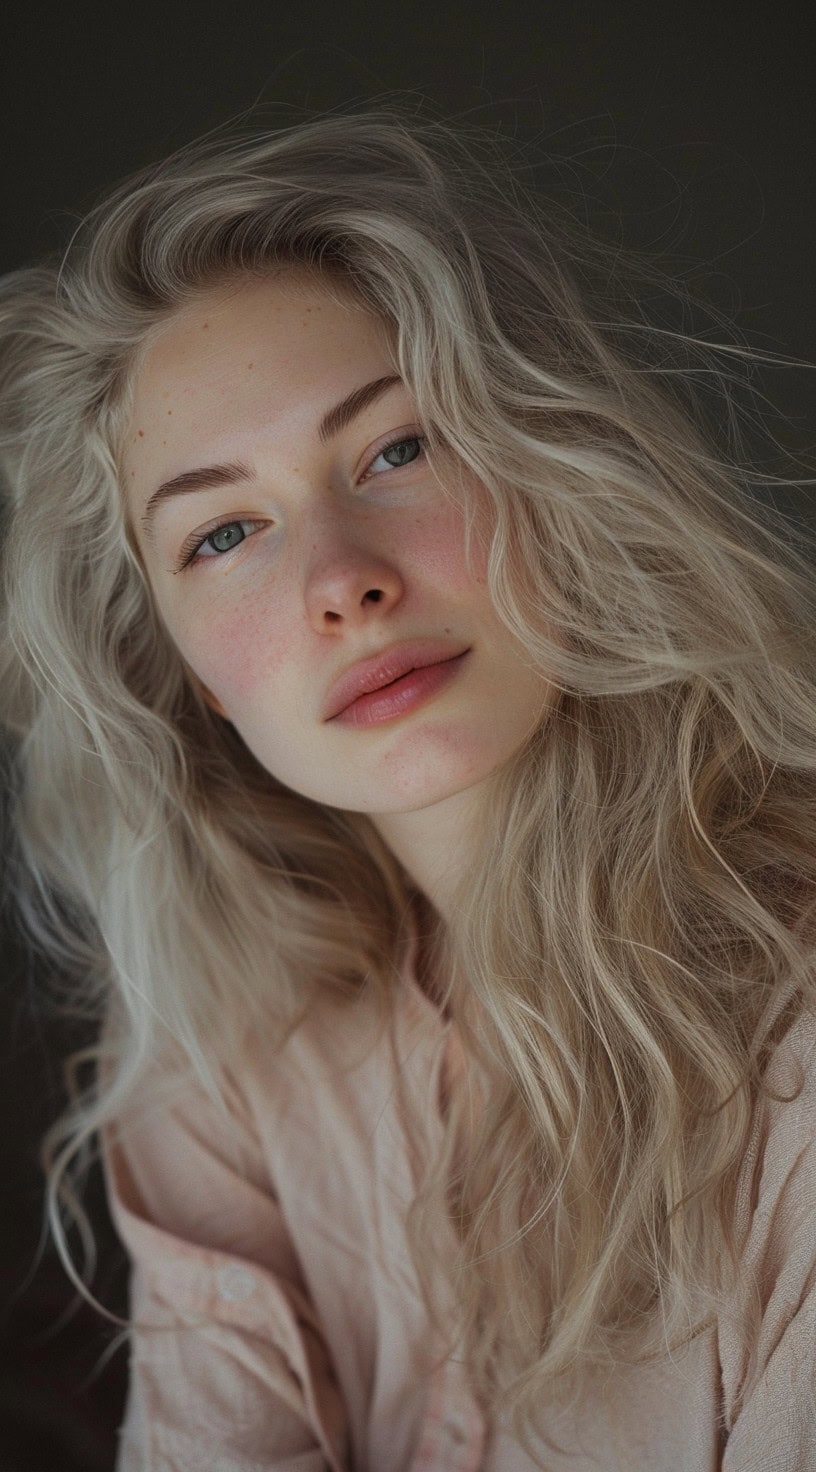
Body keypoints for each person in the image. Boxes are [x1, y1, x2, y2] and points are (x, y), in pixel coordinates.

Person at [1, 101, 816, 1472]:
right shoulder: (231, 1081)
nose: (341, 583)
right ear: (188, 667)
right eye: (225, 533)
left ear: (548, 468)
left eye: (396, 448)